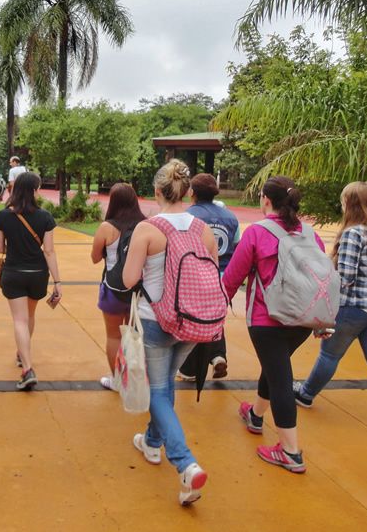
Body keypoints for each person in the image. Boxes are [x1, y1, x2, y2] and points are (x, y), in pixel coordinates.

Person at [122, 159, 216, 506]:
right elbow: (211, 275)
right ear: (188, 192)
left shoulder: (149, 230)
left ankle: (185, 464)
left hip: (157, 321)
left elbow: (128, 280)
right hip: (194, 322)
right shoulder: (202, 228)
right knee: (167, 385)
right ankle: (151, 441)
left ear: (157, 191)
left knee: (158, 392)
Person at [223, 176, 328, 473]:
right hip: (304, 319)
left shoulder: (257, 232)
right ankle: (255, 415)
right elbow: (321, 277)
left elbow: (232, 277)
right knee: (275, 366)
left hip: (266, 319)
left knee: (280, 377)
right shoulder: (310, 233)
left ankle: (291, 451)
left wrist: (216, 309)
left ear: (265, 200)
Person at [293, 182, 367, 436]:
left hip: (354, 308)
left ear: (351, 205)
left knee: (329, 355)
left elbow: (344, 277)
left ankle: (305, 394)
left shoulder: (354, 234)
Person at [0, 171, 62, 391]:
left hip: (13, 272)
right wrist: (58, 282)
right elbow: (49, 252)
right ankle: (23, 355)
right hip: (38, 273)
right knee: (30, 316)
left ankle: (27, 368)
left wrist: (16, 243)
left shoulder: (3, 216)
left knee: (19, 320)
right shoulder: (45, 217)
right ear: (34, 190)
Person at [177, 173, 240, 382]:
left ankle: (190, 368)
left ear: (191, 192)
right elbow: (236, 247)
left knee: (193, 320)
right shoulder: (231, 217)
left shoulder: (187, 216)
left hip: (196, 277)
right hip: (224, 278)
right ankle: (217, 355)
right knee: (214, 318)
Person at [90, 182, 146, 390]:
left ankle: (117, 380)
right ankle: (134, 378)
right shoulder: (146, 225)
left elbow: (95, 258)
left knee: (113, 335)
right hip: (138, 292)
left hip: (113, 289)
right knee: (133, 334)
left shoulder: (107, 227)